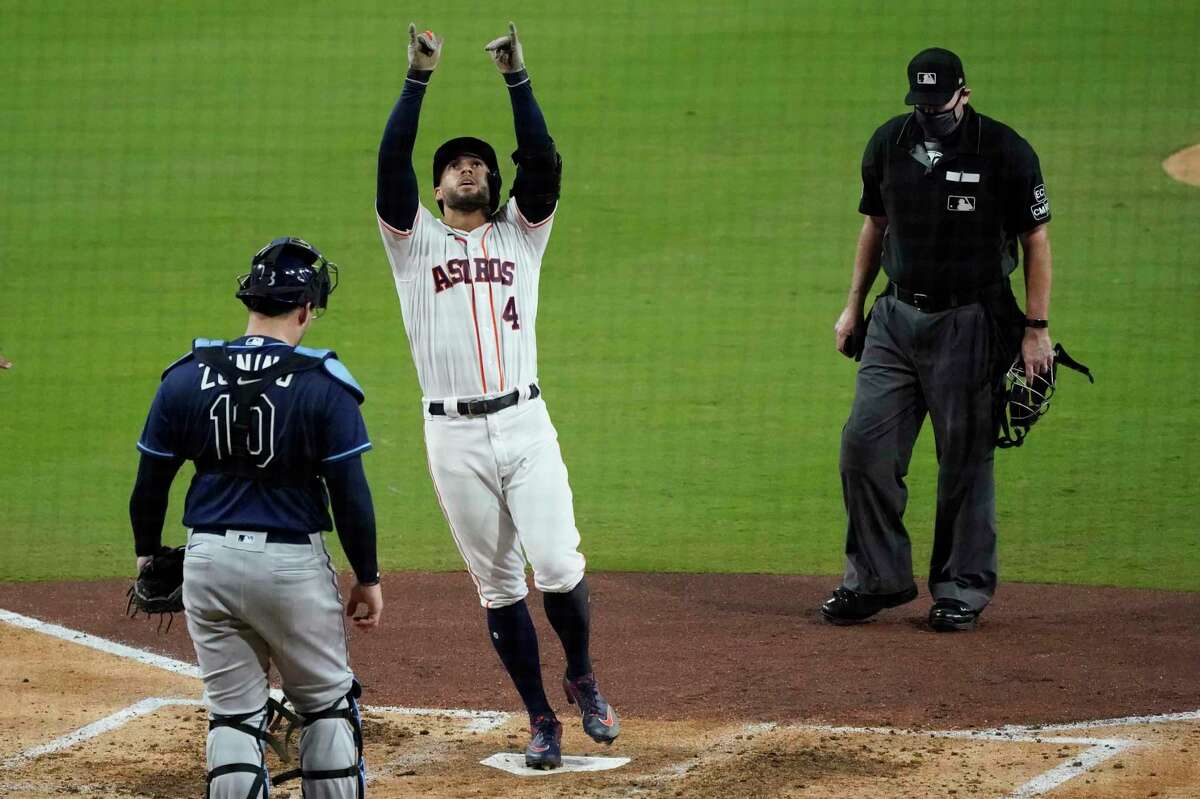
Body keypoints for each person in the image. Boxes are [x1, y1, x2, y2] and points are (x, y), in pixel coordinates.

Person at [374, 22, 618, 769]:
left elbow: (543, 162)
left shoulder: (521, 235)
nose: (468, 169)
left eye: (479, 164)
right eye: (455, 166)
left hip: (525, 421)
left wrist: (518, 77)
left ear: (494, 183)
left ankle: (581, 673)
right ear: (438, 186)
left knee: (559, 564)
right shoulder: (412, 243)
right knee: (498, 586)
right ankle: (540, 716)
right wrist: (418, 76)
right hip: (452, 438)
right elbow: (390, 165)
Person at [129, 237, 382, 797]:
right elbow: (350, 496)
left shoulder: (186, 376)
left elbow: (150, 483)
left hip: (208, 561)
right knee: (325, 708)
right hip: (291, 566)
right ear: (305, 310)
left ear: (252, 303)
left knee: (233, 716)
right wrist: (367, 577)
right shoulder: (324, 384)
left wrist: (148, 553)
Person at [822, 48, 1054, 632]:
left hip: (972, 321)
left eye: (940, 103)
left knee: (964, 463)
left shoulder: (1003, 150)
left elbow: (1036, 239)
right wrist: (853, 307)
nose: (930, 114)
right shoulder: (888, 143)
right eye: (920, 104)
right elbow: (875, 225)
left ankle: (961, 590)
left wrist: (1036, 330)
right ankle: (875, 579)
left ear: (964, 94)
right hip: (895, 320)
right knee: (863, 449)